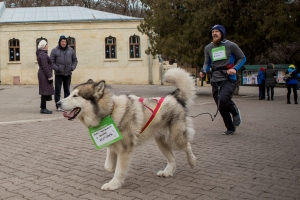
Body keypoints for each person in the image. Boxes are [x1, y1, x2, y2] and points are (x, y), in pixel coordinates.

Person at [199, 24, 246, 135]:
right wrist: (203, 70)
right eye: (212, 32)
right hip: (215, 79)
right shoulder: (208, 47)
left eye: (217, 31)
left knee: (224, 99)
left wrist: (235, 68)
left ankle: (235, 112)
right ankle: (230, 128)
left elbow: (242, 58)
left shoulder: (230, 45)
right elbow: (207, 62)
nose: (214, 33)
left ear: (222, 33)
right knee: (220, 104)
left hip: (228, 78)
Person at [50, 35, 78, 111]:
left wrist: (72, 67)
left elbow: (75, 60)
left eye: (65, 41)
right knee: (57, 91)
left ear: (66, 42)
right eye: (62, 41)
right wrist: (57, 68)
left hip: (68, 74)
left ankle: (67, 106)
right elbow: (51, 62)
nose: (63, 43)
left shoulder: (71, 50)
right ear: (59, 42)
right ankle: (58, 106)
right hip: (59, 74)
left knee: (67, 91)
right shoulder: (54, 50)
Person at [37, 40, 55, 114]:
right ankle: (43, 108)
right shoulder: (43, 55)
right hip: (44, 74)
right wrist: (50, 77)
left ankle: (43, 107)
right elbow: (45, 67)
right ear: (44, 46)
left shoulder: (41, 54)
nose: (47, 46)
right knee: (44, 91)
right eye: (46, 45)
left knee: (44, 90)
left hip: (43, 74)